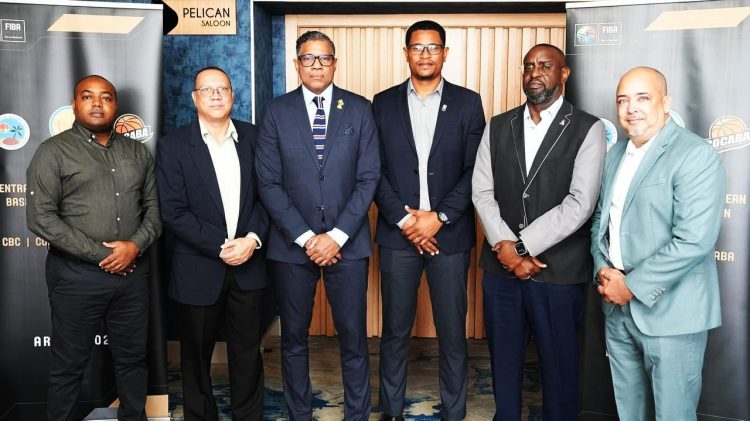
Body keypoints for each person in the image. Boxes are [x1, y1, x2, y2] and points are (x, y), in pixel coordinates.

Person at [472, 44, 606, 420]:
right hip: (502, 272)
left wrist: (520, 245)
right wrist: (507, 250)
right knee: (504, 360)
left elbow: (580, 203)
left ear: (564, 74)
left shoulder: (588, 128)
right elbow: (481, 192)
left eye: (546, 66)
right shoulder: (498, 125)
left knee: (560, 367)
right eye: (529, 66)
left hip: (558, 272)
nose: (535, 72)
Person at [255, 31, 380, 421]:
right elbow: (268, 182)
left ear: (335, 63)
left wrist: (337, 235)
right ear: (296, 64)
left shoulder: (359, 109)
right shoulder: (276, 111)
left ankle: (357, 415)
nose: (316, 66)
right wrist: (310, 238)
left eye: (324, 58)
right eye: (308, 59)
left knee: (354, 340)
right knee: (293, 339)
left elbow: (369, 177)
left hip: (349, 244)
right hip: (294, 247)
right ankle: (300, 414)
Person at [591, 67, 725, 420]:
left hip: (672, 313)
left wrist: (630, 286)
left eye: (642, 98)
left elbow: (694, 240)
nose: (631, 108)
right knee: (628, 412)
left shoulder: (694, 154)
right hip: (617, 310)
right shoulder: (616, 154)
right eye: (623, 100)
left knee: (673, 415)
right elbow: (600, 222)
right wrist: (603, 271)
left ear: (665, 103)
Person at [26, 75, 162, 421]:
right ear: (75, 104)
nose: (97, 103)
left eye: (106, 97)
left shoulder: (137, 152)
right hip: (74, 277)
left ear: (116, 105)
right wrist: (104, 255)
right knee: (69, 365)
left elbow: (154, 213)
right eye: (88, 97)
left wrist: (134, 246)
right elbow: (41, 218)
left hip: (132, 277)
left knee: (133, 359)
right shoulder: (52, 152)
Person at [372, 20, 485, 421]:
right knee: (394, 332)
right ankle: (391, 412)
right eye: (417, 48)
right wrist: (407, 223)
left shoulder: (469, 103)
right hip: (397, 234)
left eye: (433, 47)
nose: (425, 54)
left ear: (445, 53)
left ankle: (454, 413)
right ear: (405, 53)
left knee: (453, 333)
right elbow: (374, 171)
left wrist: (439, 217)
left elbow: (475, 170)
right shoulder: (381, 103)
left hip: (448, 236)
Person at [156, 66, 269, 421]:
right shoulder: (173, 146)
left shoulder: (256, 138)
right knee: (195, 357)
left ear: (233, 95)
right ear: (194, 98)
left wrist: (251, 240)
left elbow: (270, 197)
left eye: (223, 89)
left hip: (250, 265)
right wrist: (223, 245)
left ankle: (247, 416)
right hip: (198, 268)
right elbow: (173, 211)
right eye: (207, 90)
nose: (216, 95)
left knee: (248, 353)